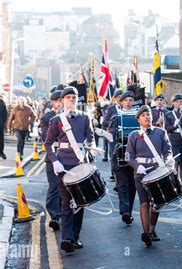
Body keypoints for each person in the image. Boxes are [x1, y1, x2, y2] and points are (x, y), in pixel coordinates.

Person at [44, 86, 101, 253]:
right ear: (62, 100)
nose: (71, 100)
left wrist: (92, 148)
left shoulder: (85, 118)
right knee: (66, 202)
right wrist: (54, 161)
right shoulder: (56, 120)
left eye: (73, 98)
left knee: (80, 202)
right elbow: (48, 143)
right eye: (68, 97)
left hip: (80, 164)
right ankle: (67, 238)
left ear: (77, 100)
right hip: (63, 165)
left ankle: (75, 237)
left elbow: (90, 139)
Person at [126, 105, 174, 246]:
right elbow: (129, 156)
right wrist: (137, 166)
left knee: (157, 203)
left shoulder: (161, 132)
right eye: (143, 115)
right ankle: (146, 233)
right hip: (141, 173)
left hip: (158, 171)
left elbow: (168, 151)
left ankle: (152, 230)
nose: (147, 117)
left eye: (148, 114)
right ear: (138, 120)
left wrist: (168, 160)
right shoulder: (133, 135)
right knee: (144, 202)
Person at [107, 90, 137, 225]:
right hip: (119, 154)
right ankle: (124, 210)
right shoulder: (115, 117)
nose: (129, 103)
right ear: (121, 102)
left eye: (131, 100)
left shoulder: (138, 115)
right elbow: (111, 135)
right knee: (122, 185)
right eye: (126, 100)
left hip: (135, 155)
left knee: (132, 185)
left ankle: (128, 212)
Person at [39, 90, 63, 231]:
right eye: (58, 100)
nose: (60, 103)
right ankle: (54, 216)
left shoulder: (71, 115)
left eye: (62, 99)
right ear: (53, 102)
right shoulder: (47, 117)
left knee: (67, 187)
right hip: (52, 156)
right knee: (54, 187)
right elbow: (45, 137)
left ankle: (65, 212)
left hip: (69, 157)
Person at [164, 93, 182, 186]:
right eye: (177, 101)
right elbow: (167, 128)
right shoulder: (169, 114)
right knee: (175, 162)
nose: (179, 103)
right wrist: (175, 125)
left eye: (181, 101)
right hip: (174, 140)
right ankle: (175, 184)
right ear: (173, 103)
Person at [103, 89, 123, 180]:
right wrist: (113, 121)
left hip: (125, 135)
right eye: (118, 97)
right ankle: (114, 173)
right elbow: (105, 122)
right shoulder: (111, 109)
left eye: (121, 97)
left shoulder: (128, 108)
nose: (120, 99)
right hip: (114, 135)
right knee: (114, 154)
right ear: (115, 98)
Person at [0, 94, 8, 160]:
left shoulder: (2, 103)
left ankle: (1, 152)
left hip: (0, 125)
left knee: (1, 140)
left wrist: (3, 123)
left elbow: (5, 114)